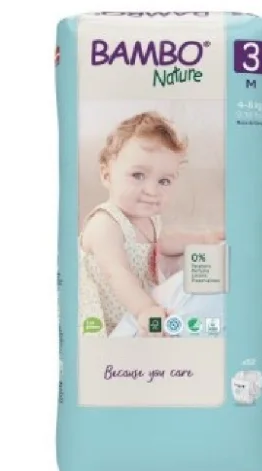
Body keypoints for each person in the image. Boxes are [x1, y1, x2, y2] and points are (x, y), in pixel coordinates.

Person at [79, 111, 223, 336]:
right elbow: (116, 273)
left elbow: (163, 241)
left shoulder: (149, 219)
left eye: (164, 181)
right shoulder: (104, 224)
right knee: (186, 291)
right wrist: (145, 309)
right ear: (106, 175)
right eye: (138, 175)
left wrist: (206, 238)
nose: (152, 190)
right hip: (110, 325)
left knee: (208, 276)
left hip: (138, 312)